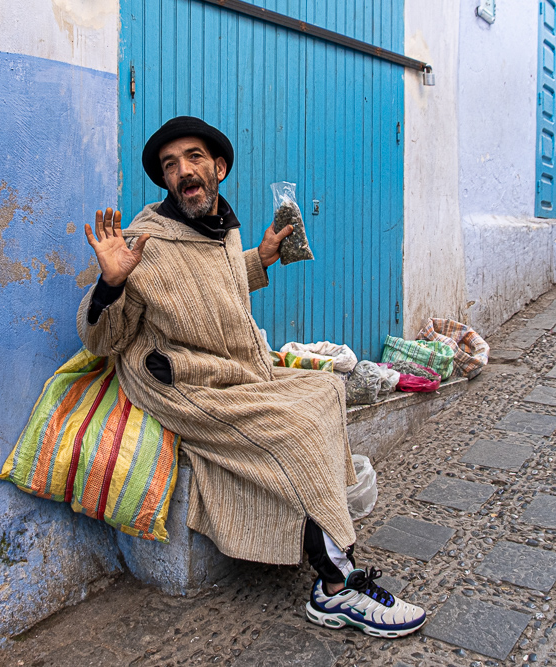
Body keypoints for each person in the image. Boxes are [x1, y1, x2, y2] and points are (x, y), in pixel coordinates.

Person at [77, 116, 426, 638]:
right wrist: (110, 284)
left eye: (194, 158)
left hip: (233, 367)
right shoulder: (142, 243)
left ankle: (321, 517)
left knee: (327, 389)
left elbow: (209, 285)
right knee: (296, 427)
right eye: (170, 165)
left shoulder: (219, 227)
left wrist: (260, 259)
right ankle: (335, 587)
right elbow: (100, 339)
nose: (183, 171)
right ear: (165, 180)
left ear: (218, 168)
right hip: (181, 383)